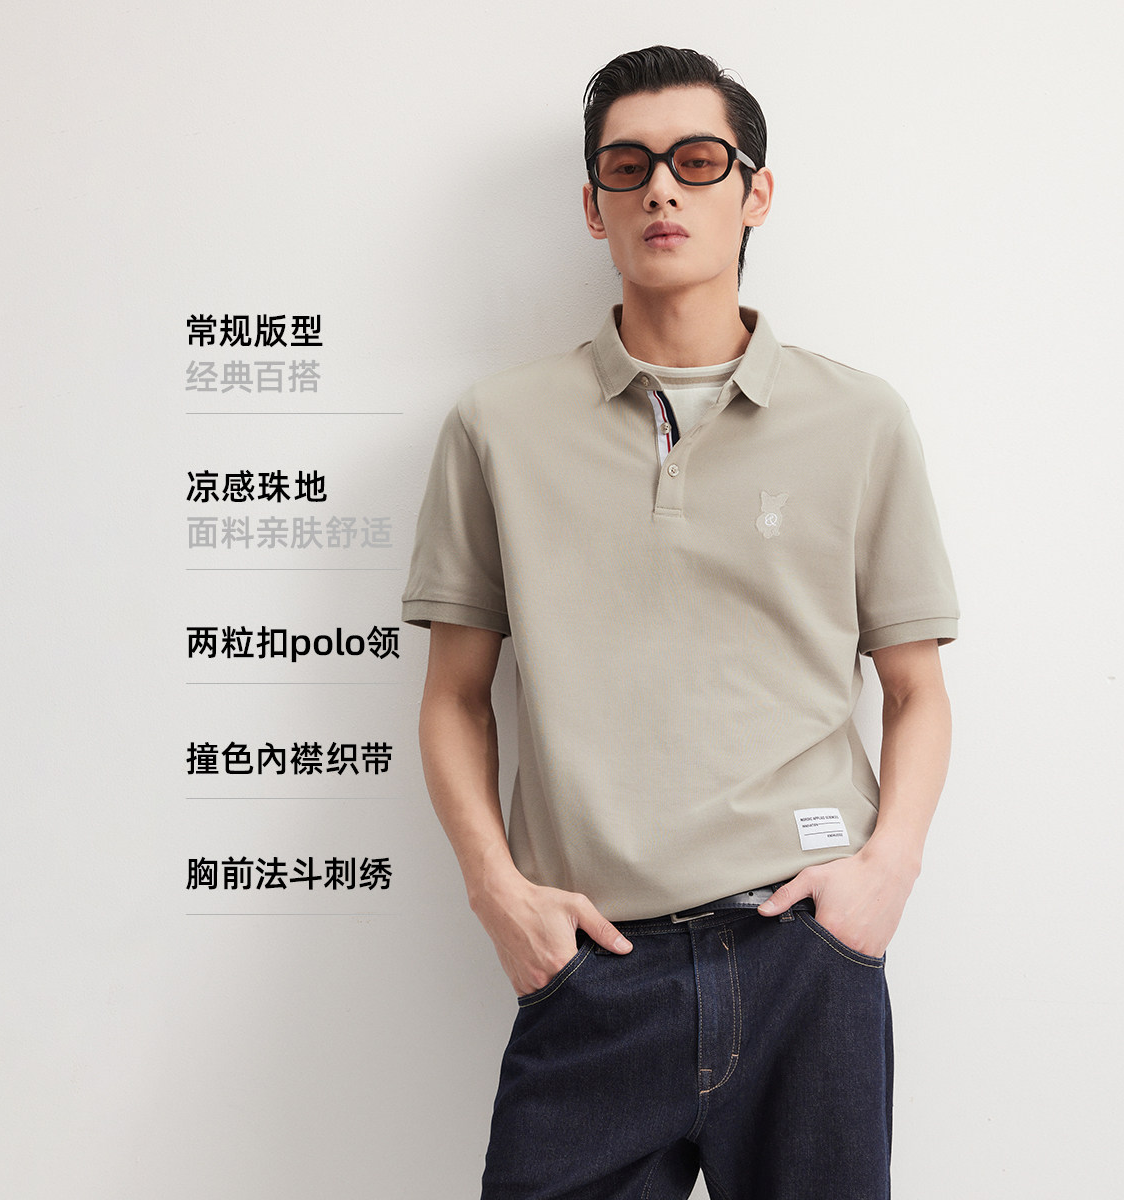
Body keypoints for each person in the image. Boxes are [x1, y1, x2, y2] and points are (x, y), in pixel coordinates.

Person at [403, 44, 957, 1200]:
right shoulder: (499, 426)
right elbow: (454, 695)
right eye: (630, 165)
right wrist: (499, 895)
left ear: (755, 192)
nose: (662, 188)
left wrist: (886, 874)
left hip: (804, 956)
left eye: (698, 161)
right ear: (593, 205)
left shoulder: (860, 421)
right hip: (593, 970)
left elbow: (915, 689)